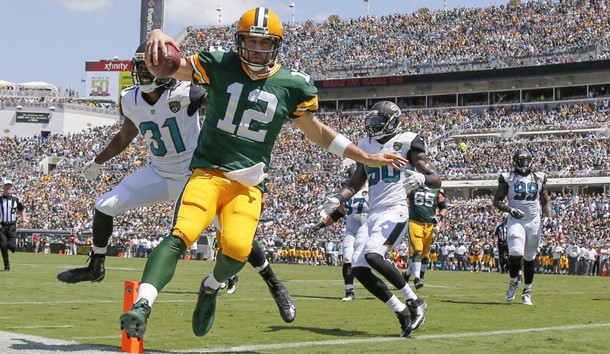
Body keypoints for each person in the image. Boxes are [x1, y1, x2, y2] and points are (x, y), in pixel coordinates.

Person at [119, 7, 407, 340]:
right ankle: (143, 304)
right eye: (250, 42)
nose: (256, 50)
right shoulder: (218, 63)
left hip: (249, 184)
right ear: (239, 41)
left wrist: (365, 156)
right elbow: (164, 66)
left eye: (264, 43)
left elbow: (318, 132)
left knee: (238, 249)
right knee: (182, 234)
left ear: (276, 45)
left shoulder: (293, 84)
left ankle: (211, 287)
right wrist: (155, 35)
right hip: (208, 173)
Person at [56, 42, 205, 284]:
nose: (144, 71)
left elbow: (225, 107)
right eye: (140, 65)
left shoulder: (187, 91)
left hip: (195, 177)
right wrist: (97, 161)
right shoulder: (130, 99)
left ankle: (248, 277)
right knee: (104, 206)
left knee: (231, 230)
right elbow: (125, 136)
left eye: (150, 65)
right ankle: (96, 266)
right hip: (160, 174)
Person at [318, 101, 441, 337]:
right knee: (360, 269)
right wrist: (338, 198)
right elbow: (356, 181)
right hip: (373, 212)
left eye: (378, 121)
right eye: (371, 121)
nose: (372, 126)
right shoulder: (365, 145)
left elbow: (435, 178)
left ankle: (415, 301)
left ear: (393, 121)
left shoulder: (408, 140)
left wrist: (423, 180)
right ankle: (402, 311)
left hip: (395, 209)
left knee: (374, 255)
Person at [493, 149, 552, 306]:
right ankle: (513, 283)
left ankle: (527, 291)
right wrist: (510, 209)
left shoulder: (539, 177)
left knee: (529, 257)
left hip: (534, 220)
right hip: (516, 219)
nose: (524, 165)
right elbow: (497, 201)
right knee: (515, 252)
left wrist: (549, 217)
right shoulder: (508, 178)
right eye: (521, 161)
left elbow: (545, 201)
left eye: (526, 161)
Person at [311, 164, 369, 301]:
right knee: (348, 258)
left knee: (367, 260)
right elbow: (338, 213)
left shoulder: (371, 191)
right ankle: (349, 291)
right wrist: (320, 225)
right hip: (352, 231)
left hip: (367, 230)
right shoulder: (347, 194)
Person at [402, 187, 447, 289]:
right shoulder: (414, 190)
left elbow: (443, 209)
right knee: (417, 251)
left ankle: (408, 274)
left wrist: (438, 224)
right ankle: (417, 278)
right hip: (415, 223)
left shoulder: (437, 193)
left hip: (429, 226)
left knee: (424, 255)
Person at [0, 180, 27, 271]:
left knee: (12, 247)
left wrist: (24, 220)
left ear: (11, 188)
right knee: (3, 246)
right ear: (3, 187)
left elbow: (22, 209)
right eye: (6, 186)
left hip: (11, 225)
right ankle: (7, 266)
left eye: (9, 186)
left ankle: (11, 247)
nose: (8, 188)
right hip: (1, 226)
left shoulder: (15, 199)